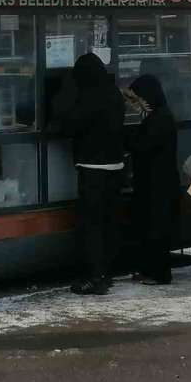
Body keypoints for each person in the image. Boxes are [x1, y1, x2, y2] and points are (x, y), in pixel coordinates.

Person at [55, 53, 126, 295]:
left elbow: (69, 125)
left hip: (93, 170)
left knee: (92, 226)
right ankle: (107, 273)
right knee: (108, 224)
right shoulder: (113, 93)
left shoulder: (87, 97)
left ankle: (96, 278)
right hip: (116, 167)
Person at [124, 75, 178, 286]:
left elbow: (141, 145)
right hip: (155, 182)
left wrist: (126, 139)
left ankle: (159, 273)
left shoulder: (159, 119)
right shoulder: (160, 115)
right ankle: (150, 270)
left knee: (155, 228)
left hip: (158, 184)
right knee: (150, 226)